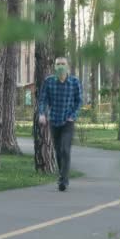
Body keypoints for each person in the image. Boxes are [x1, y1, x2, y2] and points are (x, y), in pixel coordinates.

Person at [38, 57, 82, 192]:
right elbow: (42, 100)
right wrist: (42, 114)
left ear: (67, 66)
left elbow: (79, 101)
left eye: (63, 64)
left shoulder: (74, 82)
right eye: (58, 64)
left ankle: (64, 180)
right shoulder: (49, 81)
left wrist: (72, 116)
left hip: (68, 121)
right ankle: (62, 176)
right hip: (54, 121)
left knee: (65, 149)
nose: (61, 66)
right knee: (58, 151)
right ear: (54, 66)